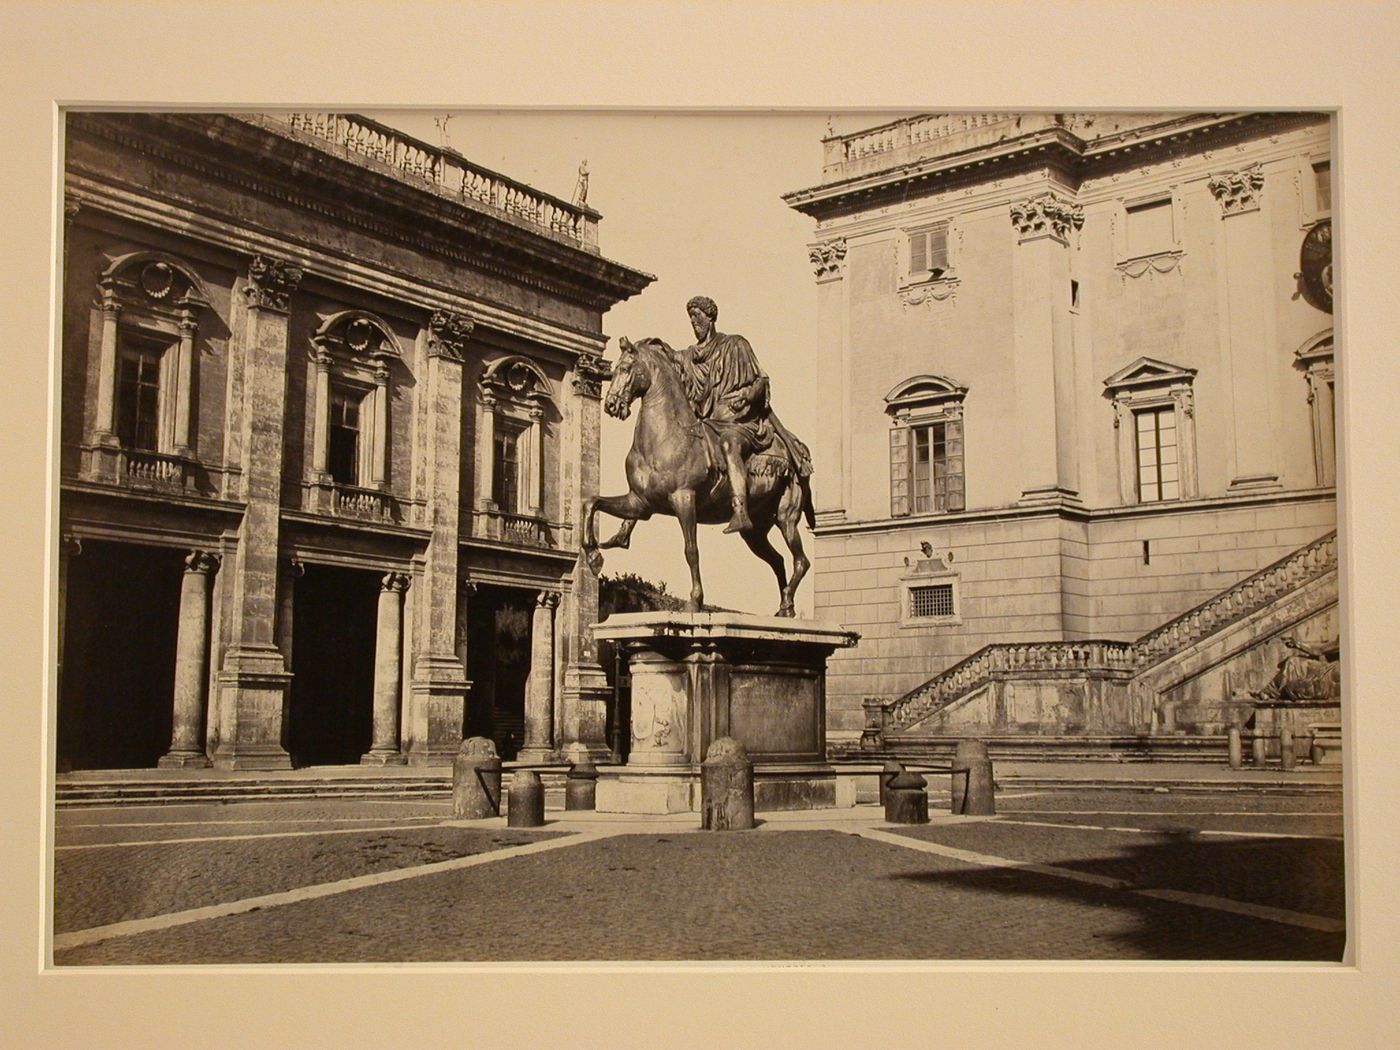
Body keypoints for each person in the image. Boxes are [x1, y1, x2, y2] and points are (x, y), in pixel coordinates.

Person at [675, 296, 811, 533]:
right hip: (709, 423)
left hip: (740, 422)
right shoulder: (690, 357)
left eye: (697, 316)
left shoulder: (736, 345)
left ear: (710, 317)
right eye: (690, 318)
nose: (693, 322)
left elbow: (761, 380)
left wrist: (747, 396)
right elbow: (670, 360)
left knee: (729, 444)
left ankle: (740, 511)